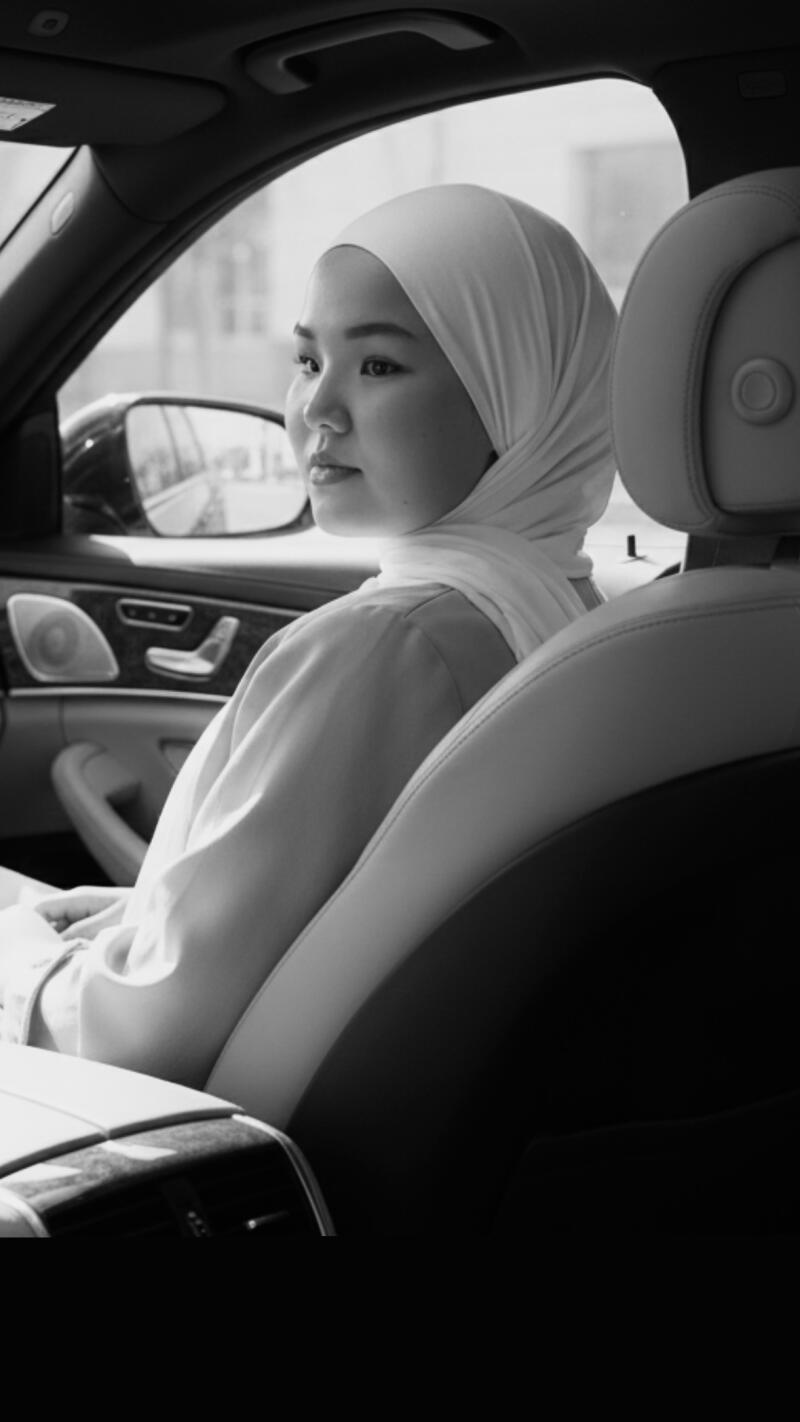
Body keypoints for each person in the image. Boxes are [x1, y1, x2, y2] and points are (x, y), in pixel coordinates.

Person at [0, 183, 617, 1082]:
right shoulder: (580, 619)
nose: (317, 410)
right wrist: (135, 918)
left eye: (379, 366)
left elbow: (139, 1034)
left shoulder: (381, 645)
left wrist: (19, 956)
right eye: (306, 360)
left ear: (514, 398)